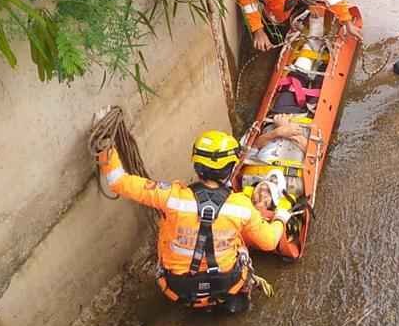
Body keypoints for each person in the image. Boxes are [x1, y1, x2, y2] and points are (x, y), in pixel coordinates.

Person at [97, 130, 289, 314]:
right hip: (228, 285)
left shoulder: (170, 197)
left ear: (197, 167)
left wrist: (105, 145)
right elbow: (269, 242)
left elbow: (118, 182)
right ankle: (233, 299)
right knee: (241, 244)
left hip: (176, 289)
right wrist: (281, 217)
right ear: (229, 170)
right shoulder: (242, 207)